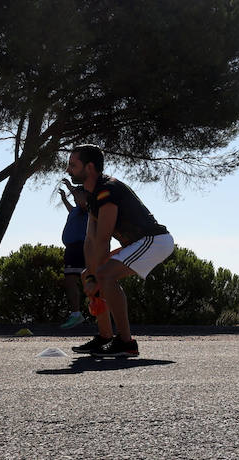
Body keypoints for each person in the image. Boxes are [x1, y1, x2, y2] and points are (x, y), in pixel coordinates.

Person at [65, 144, 175, 358]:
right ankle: (105, 336)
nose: (68, 170)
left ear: (89, 167)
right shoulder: (93, 196)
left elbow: (103, 241)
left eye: (72, 165)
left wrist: (96, 277)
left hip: (154, 241)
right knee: (92, 274)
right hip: (137, 244)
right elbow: (91, 240)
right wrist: (90, 275)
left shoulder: (107, 190)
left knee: (104, 275)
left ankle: (126, 343)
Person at [57, 178, 90, 329]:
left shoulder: (86, 208)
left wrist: (70, 186)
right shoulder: (77, 210)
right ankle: (76, 314)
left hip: (80, 248)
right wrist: (64, 199)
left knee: (88, 281)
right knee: (71, 281)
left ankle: (99, 313)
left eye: (78, 194)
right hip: (71, 249)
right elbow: (71, 208)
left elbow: (80, 201)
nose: (76, 196)